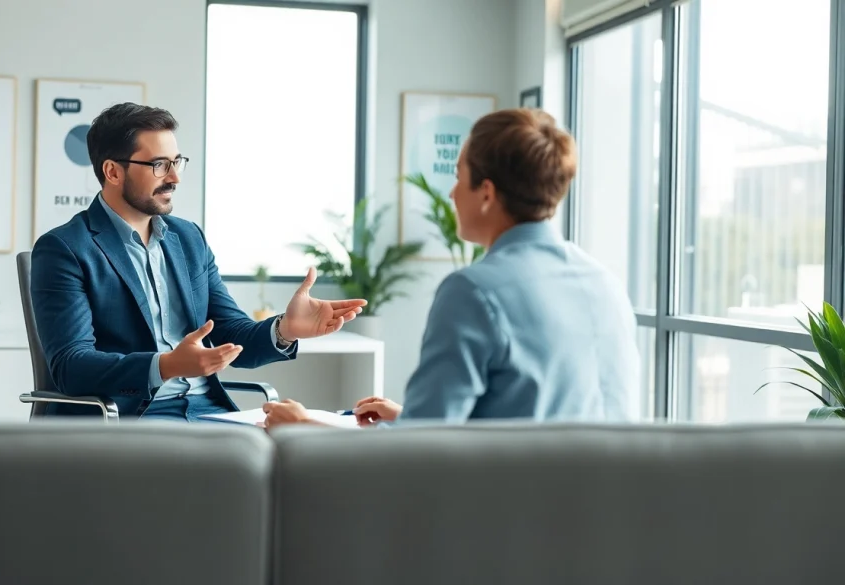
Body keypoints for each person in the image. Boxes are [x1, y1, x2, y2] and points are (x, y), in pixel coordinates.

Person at [262, 108, 640, 428]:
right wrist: (410, 419)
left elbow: (424, 457)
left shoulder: (475, 291)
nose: (451, 193)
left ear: (487, 193)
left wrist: (306, 426)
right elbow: (542, 421)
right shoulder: (605, 283)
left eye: (459, 177)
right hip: (606, 511)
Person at [30, 102, 366, 421]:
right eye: (160, 165)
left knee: (303, 450)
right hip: (133, 418)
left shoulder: (188, 239)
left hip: (208, 411)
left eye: (177, 162)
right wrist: (166, 366)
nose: (174, 177)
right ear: (113, 172)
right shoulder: (65, 248)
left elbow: (233, 334)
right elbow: (71, 367)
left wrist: (285, 329)